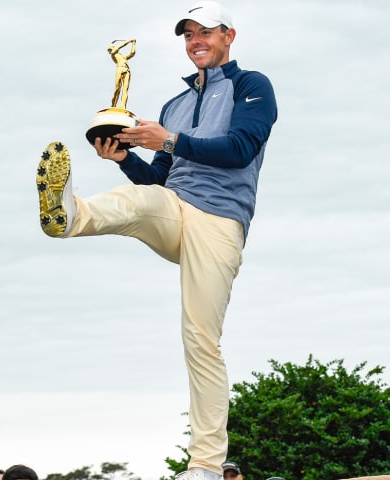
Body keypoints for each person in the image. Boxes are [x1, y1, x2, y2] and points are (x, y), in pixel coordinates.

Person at [34, 2, 277, 480]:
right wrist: (123, 156)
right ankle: (68, 215)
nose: (195, 42)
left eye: (204, 32)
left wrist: (166, 140)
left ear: (229, 35)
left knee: (200, 341)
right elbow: (160, 180)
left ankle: (205, 467)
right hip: (175, 209)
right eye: (187, 35)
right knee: (140, 199)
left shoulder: (253, 86)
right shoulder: (174, 105)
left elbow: (240, 148)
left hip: (220, 223)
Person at [108, 38, 137, 109]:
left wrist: (133, 44)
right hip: (119, 69)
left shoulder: (123, 57)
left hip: (126, 70)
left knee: (125, 89)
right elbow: (121, 45)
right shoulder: (113, 53)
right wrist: (129, 40)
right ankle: (113, 106)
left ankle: (123, 106)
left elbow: (132, 53)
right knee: (117, 88)